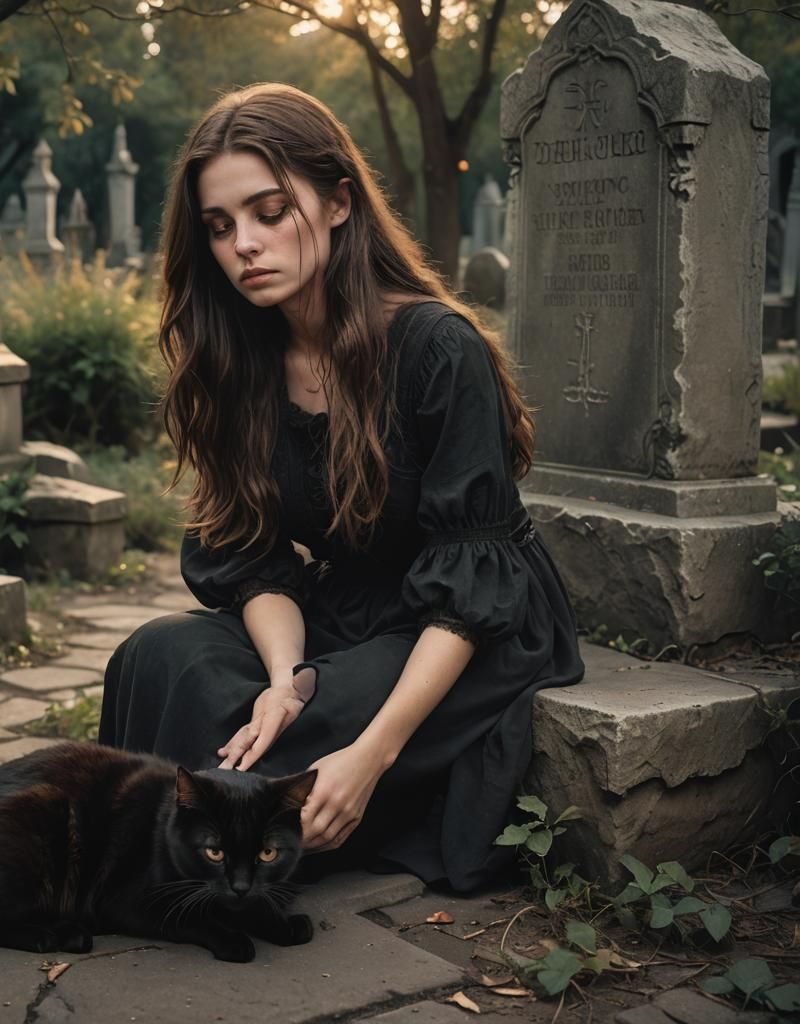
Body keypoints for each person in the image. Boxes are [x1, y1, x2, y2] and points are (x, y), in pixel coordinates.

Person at [99, 83, 584, 892]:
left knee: (305, 741)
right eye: (219, 226)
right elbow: (250, 552)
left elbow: (471, 591)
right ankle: (156, 851)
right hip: (348, 605)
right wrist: (282, 682)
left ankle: (185, 867)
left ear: (338, 203)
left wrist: (369, 757)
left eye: (269, 212)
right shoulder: (242, 358)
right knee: (160, 657)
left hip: (466, 626)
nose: (244, 244)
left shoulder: (437, 349)